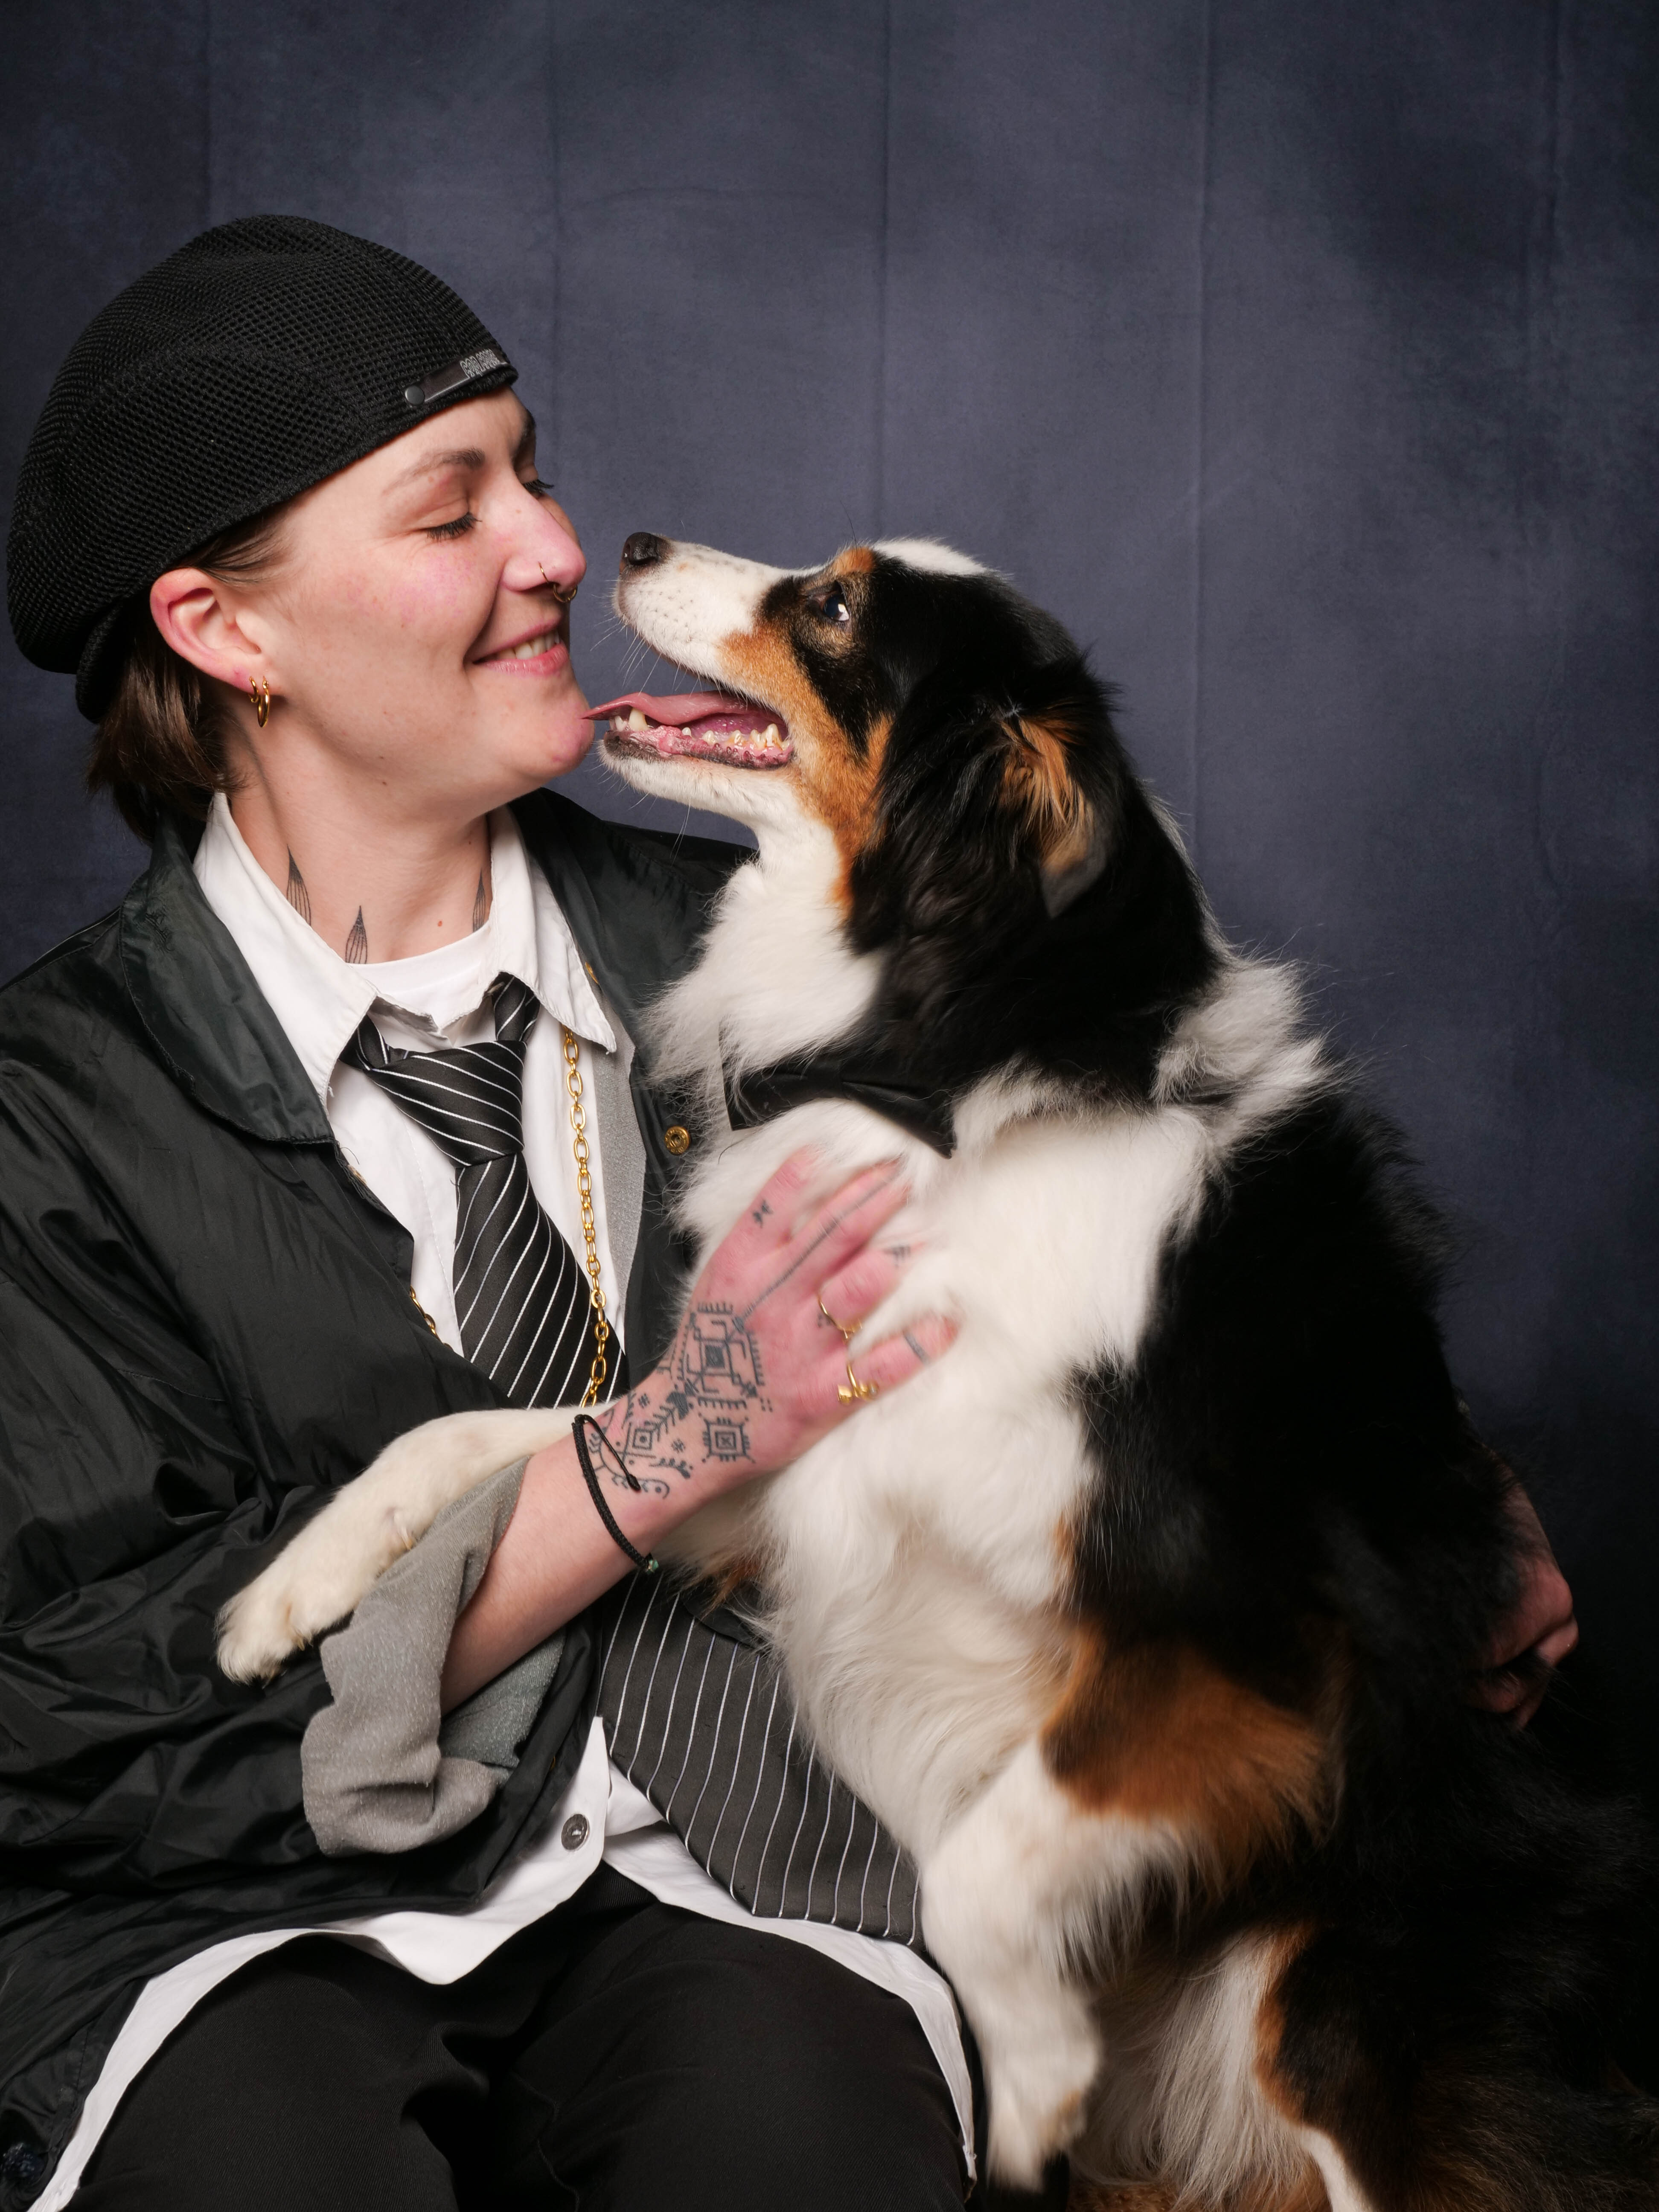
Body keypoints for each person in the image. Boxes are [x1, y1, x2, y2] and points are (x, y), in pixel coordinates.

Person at [0, 216, 1576, 2212]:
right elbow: (53, 1707)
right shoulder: (50, 1115)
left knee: (797, 2137)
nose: (558, 550)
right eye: (448, 509)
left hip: (756, 1871)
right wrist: (663, 1452)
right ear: (228, 632)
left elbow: (1167, 1223)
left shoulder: (793, 938)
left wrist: (1416, 1495)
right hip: (241, 1925)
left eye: (535, 471)